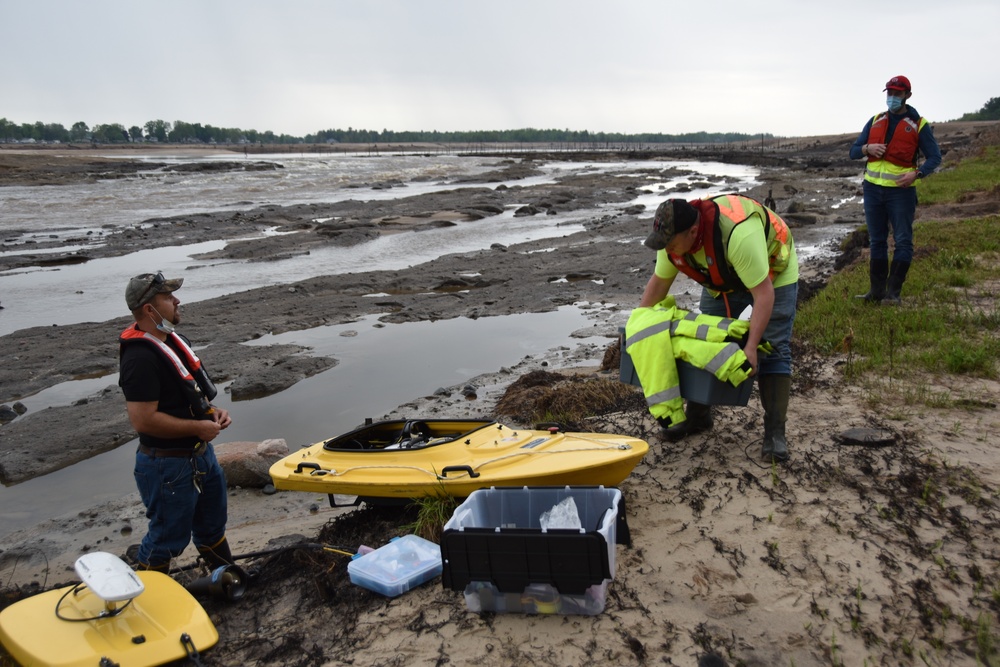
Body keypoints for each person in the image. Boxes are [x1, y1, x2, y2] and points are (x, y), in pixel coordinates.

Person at [639, 195, 798, 462]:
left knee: (773, 348)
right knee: (703, 340)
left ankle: (775, 434)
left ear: (692, 231)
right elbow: (658, 284)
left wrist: (750, 347)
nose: (668, 250)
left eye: (672, 243)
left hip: (772, 272)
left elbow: (764, 295)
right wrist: (637, 326)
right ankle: (698, 417)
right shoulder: (671, 242)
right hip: (722, 276)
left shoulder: (738, 236)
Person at [118, 272, 235, 572]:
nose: (177, 300)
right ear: (149, 309)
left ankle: (228, 579)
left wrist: (213, 412)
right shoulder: (139, 359)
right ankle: (146, 600)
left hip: (200, 456)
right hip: (167, 466)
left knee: (212, 527)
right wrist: (198, 428)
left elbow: (190, 396)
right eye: (168, 298)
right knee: (167, 539)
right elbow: (143, 421)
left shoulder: (174, 341)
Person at [850, 75, 942, 305]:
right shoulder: (875, 120)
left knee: (902, 241)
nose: (892, 97)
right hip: (872, 190)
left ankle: (893, 294)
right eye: (889, 93)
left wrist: (917, 174)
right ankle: (876, 292)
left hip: (901, 193)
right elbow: (853, 151)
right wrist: (866, 147)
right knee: (877, 241)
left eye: (897, 94)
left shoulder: (919, 125)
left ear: (907, 96)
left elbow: (935, 157)